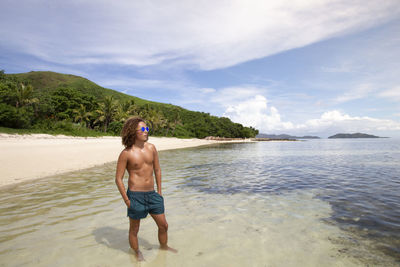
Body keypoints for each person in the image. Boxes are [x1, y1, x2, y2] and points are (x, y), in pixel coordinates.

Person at [115, 116, 176, 261]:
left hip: (153, 195)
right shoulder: (126, 153)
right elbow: (118, 179)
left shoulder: (152, 148)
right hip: (135, 196)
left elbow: (157, 170)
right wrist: (126, 200)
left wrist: (159, 192)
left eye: (147, 128)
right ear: (132, 131)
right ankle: (136, 253)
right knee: (134, 230)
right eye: (143, 129)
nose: (146, 131)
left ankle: (163, 249)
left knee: (164, 225)